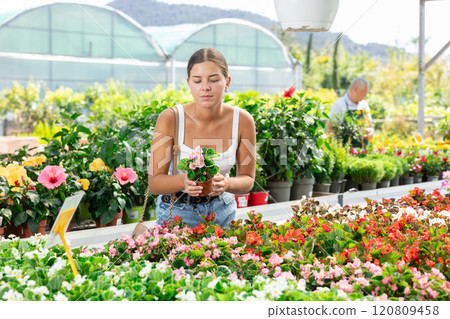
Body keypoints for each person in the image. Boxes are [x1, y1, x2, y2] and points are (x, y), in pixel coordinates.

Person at [148, 48, 256, 228]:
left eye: (213, 80)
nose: (205, 87)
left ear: (227, 82)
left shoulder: (243, 121)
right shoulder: (171, 119)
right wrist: (183, 180)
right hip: (177, 214)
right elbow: (154, 183)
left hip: (223, 213)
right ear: (189, 83)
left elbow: (247, 180)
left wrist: (226, 183)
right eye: (197, 81)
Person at [326, 77, 374, 147]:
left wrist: (371, 131)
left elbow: (370, 126)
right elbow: (329, 129)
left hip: (363, 149)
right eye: (364, 93)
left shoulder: (364, 104)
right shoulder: (339, 104)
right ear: (355, 90)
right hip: (345, 149)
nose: (365, 96)